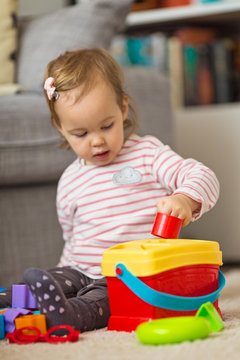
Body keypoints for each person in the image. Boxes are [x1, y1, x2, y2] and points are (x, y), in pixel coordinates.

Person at [0, 48, 219, 332]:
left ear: (123, 108)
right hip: (79, 269)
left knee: (104, 301)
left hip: (128, 276)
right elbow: (72, 237)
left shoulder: (147, 154)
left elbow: (202, 174)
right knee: (45, 283)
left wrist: (185, 198)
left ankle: (71, 315)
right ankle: (12, 301)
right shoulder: (70, 180)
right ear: (60, 127)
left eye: (107, 126)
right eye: (81, 134)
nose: (97, 141)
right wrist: (60, 274)